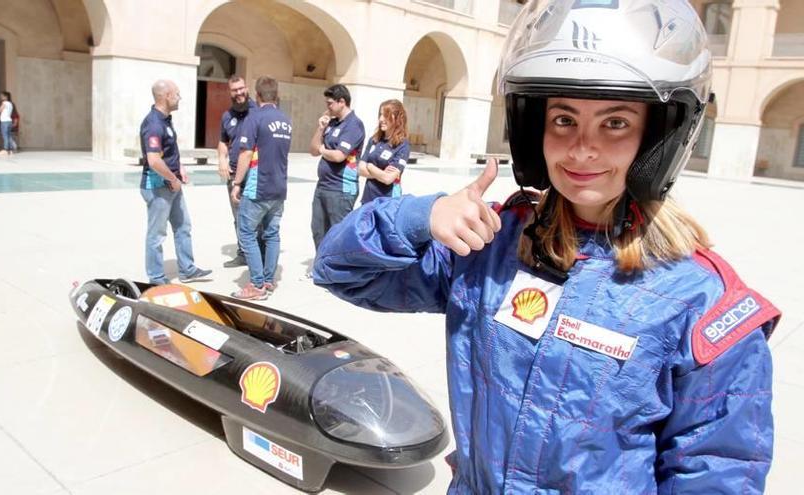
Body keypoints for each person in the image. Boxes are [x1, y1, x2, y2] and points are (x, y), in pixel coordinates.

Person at [313, 0, 780, 492]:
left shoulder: (701, 305)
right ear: (535, 126)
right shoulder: (490, 246)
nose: (582, 148)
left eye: (615, 122)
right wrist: (417, 216)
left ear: (658, 135)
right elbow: (339, 270)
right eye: (563, 119)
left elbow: (717, 473)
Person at [139, 79, 212, 285]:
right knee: (157, 234)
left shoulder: (165, 120)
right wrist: (172, 178)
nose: (180, 98)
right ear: (166, 96)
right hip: (158, 187)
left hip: (171, 184)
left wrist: (179, 168)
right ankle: (156, 277)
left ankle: (187, 270)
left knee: (183, 226)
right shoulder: (153, 123)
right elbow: (153, 160)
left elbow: (168, 151)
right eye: (177, 94)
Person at [230, 76, 292, 300]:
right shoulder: (286, 121)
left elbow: (246, 153)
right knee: (272, 233)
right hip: (279, 188)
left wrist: (237, 183)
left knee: (246, 233)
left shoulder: (254, 118)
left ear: (257, 96)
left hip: (259, 187)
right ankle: (268, 279)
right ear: (277, 96)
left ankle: (256, 286)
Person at [307, 84, 365, 267]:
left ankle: (339, 268)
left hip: (340, 189)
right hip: (323, 185)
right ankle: (323, 265)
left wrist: (323, 149)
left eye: (330, 103)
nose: (328, 107)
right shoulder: (332, 123)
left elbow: (339, 156)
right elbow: (313, 150)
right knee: (318, 229)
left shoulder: (354, 125)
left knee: (338, 232)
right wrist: (320, 128)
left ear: (342, 102)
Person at [217, 75, 258, 268]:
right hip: (233, 174)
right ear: (230, 92)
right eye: (235, 90)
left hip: (255, 174)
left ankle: (259, 255)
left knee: (257, 217)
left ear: (247, 88)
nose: (239, 93)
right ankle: (243, 253)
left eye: (241, 88)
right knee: (238, 216)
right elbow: (223, 142)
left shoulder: (258, 112)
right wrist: (221, 160)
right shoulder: (227, 116)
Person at [356, 99, 410, 204]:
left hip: (388, 202)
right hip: (368, 200)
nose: (381, 119)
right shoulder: (374, 140)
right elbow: (360, 169)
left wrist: (370, 166)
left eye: (386, 115)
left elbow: (388, 179)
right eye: (380, 115)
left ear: (397, 118)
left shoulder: (403, 145)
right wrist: (380, 173)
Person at [0, 91, 18, 156]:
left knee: (5, 136)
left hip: (4, 122)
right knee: (8, 135)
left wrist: (0, 107)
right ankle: (10, 150)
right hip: (9, 121)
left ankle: (5, 149)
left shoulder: (4, 103)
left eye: (2, 96)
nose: (0, 97)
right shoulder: (11, 104)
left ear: (6, 97)